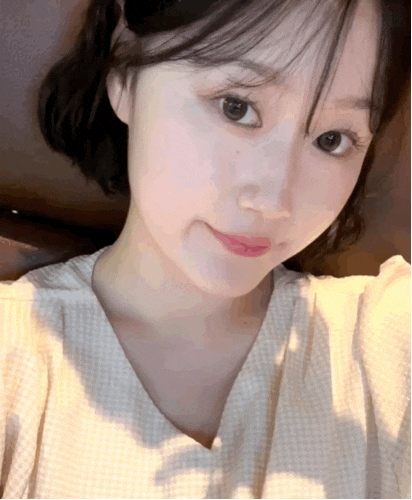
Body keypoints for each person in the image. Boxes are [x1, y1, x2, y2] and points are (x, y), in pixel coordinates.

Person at [0, 0, 410, 498]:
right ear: (125, 72)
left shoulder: (381, 344)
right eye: (236, 106)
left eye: (332, 139)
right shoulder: (14, 356)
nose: (274, 201)